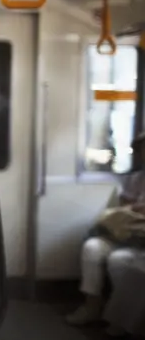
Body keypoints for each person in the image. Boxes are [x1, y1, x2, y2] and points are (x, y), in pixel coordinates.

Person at [66, 132, 145, 336]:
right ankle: (92, 307)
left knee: (118, 261)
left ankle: (123, 315)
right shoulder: (133, 179)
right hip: (124, 234)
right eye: (141, 150)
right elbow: (123, 209)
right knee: (92, 248)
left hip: (141, 243)